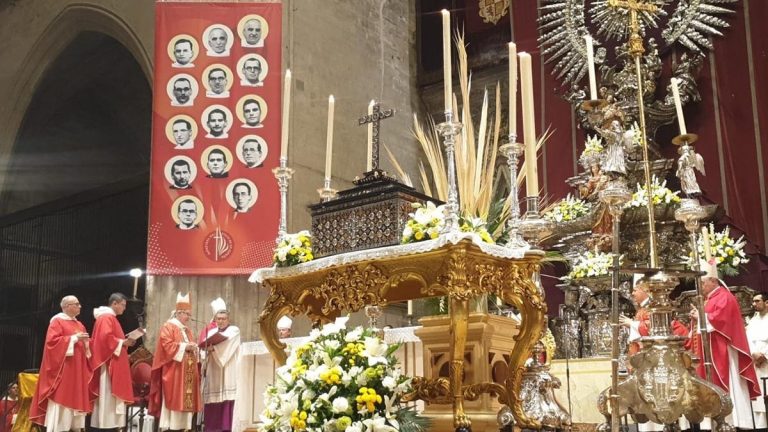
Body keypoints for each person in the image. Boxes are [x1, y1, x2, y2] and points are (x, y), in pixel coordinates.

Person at [690, 259, 761, 429]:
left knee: (729, 383)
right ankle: (717, 419)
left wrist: (700, 317)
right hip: (711, 350)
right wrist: (697, 316)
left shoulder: (724, 296)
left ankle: (733, 420)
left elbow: (721, 322)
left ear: (713, 280)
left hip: (724, 351)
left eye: (703, 282)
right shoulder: (709, 299)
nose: (701, 286)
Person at [29, 295, 92, 431]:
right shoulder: (57, 322)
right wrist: (74, 338)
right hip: (64, 370)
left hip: (77, 369)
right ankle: (59, 428)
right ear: (67, 306)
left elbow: (85, 346)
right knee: (62, 398)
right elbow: (52, 343)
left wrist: (87, 344)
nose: (80, 306)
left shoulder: (80, 324)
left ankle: (74, 427)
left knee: (76, 396)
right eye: (77, 304)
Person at [149, 293, 201, 432]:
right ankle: (172, 428)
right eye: (187, 314)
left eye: (190, 314)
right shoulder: (169, 326)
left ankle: (185, 427)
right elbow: (167, 346)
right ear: (179, 313)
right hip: (175, 372)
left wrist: (194, 348)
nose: (189, 318)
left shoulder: (187, 330)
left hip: (187, 372)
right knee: (175, 399)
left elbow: (190, 345)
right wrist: (185, 347)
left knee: (187, 399)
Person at [89, 293, 135, 431]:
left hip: (114, 360)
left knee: (110, 397)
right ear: (114, 303)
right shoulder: (106, 317)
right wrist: (123, 342)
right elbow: (105, 339)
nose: (124, 308)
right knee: (107, 395)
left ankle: (110, 424)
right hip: (108, 364)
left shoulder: (110, 318)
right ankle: (105, 425)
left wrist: (124, 342)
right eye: (123, 305)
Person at [199, 298, 240, 432]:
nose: (221, 321)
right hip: (214, 371)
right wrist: (206, 350)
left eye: (223, 318)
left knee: (228, 398)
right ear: (215, 319)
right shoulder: (210, 332)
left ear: (228, 319)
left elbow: (226, 346)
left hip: (228, 370)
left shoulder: (234, 330)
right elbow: (203, 349)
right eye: (218, 319)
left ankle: (227, 428)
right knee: (213, 400)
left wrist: (213, 348)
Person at [747, 293, 768, 429]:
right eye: (753, 301)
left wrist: (764, 355)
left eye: (757, 301)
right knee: (759, 398)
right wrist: (754, 354)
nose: (754, 304)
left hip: (766, 360)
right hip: (756, 362)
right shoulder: (753, 321)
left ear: (767, 302)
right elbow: (747, 339)